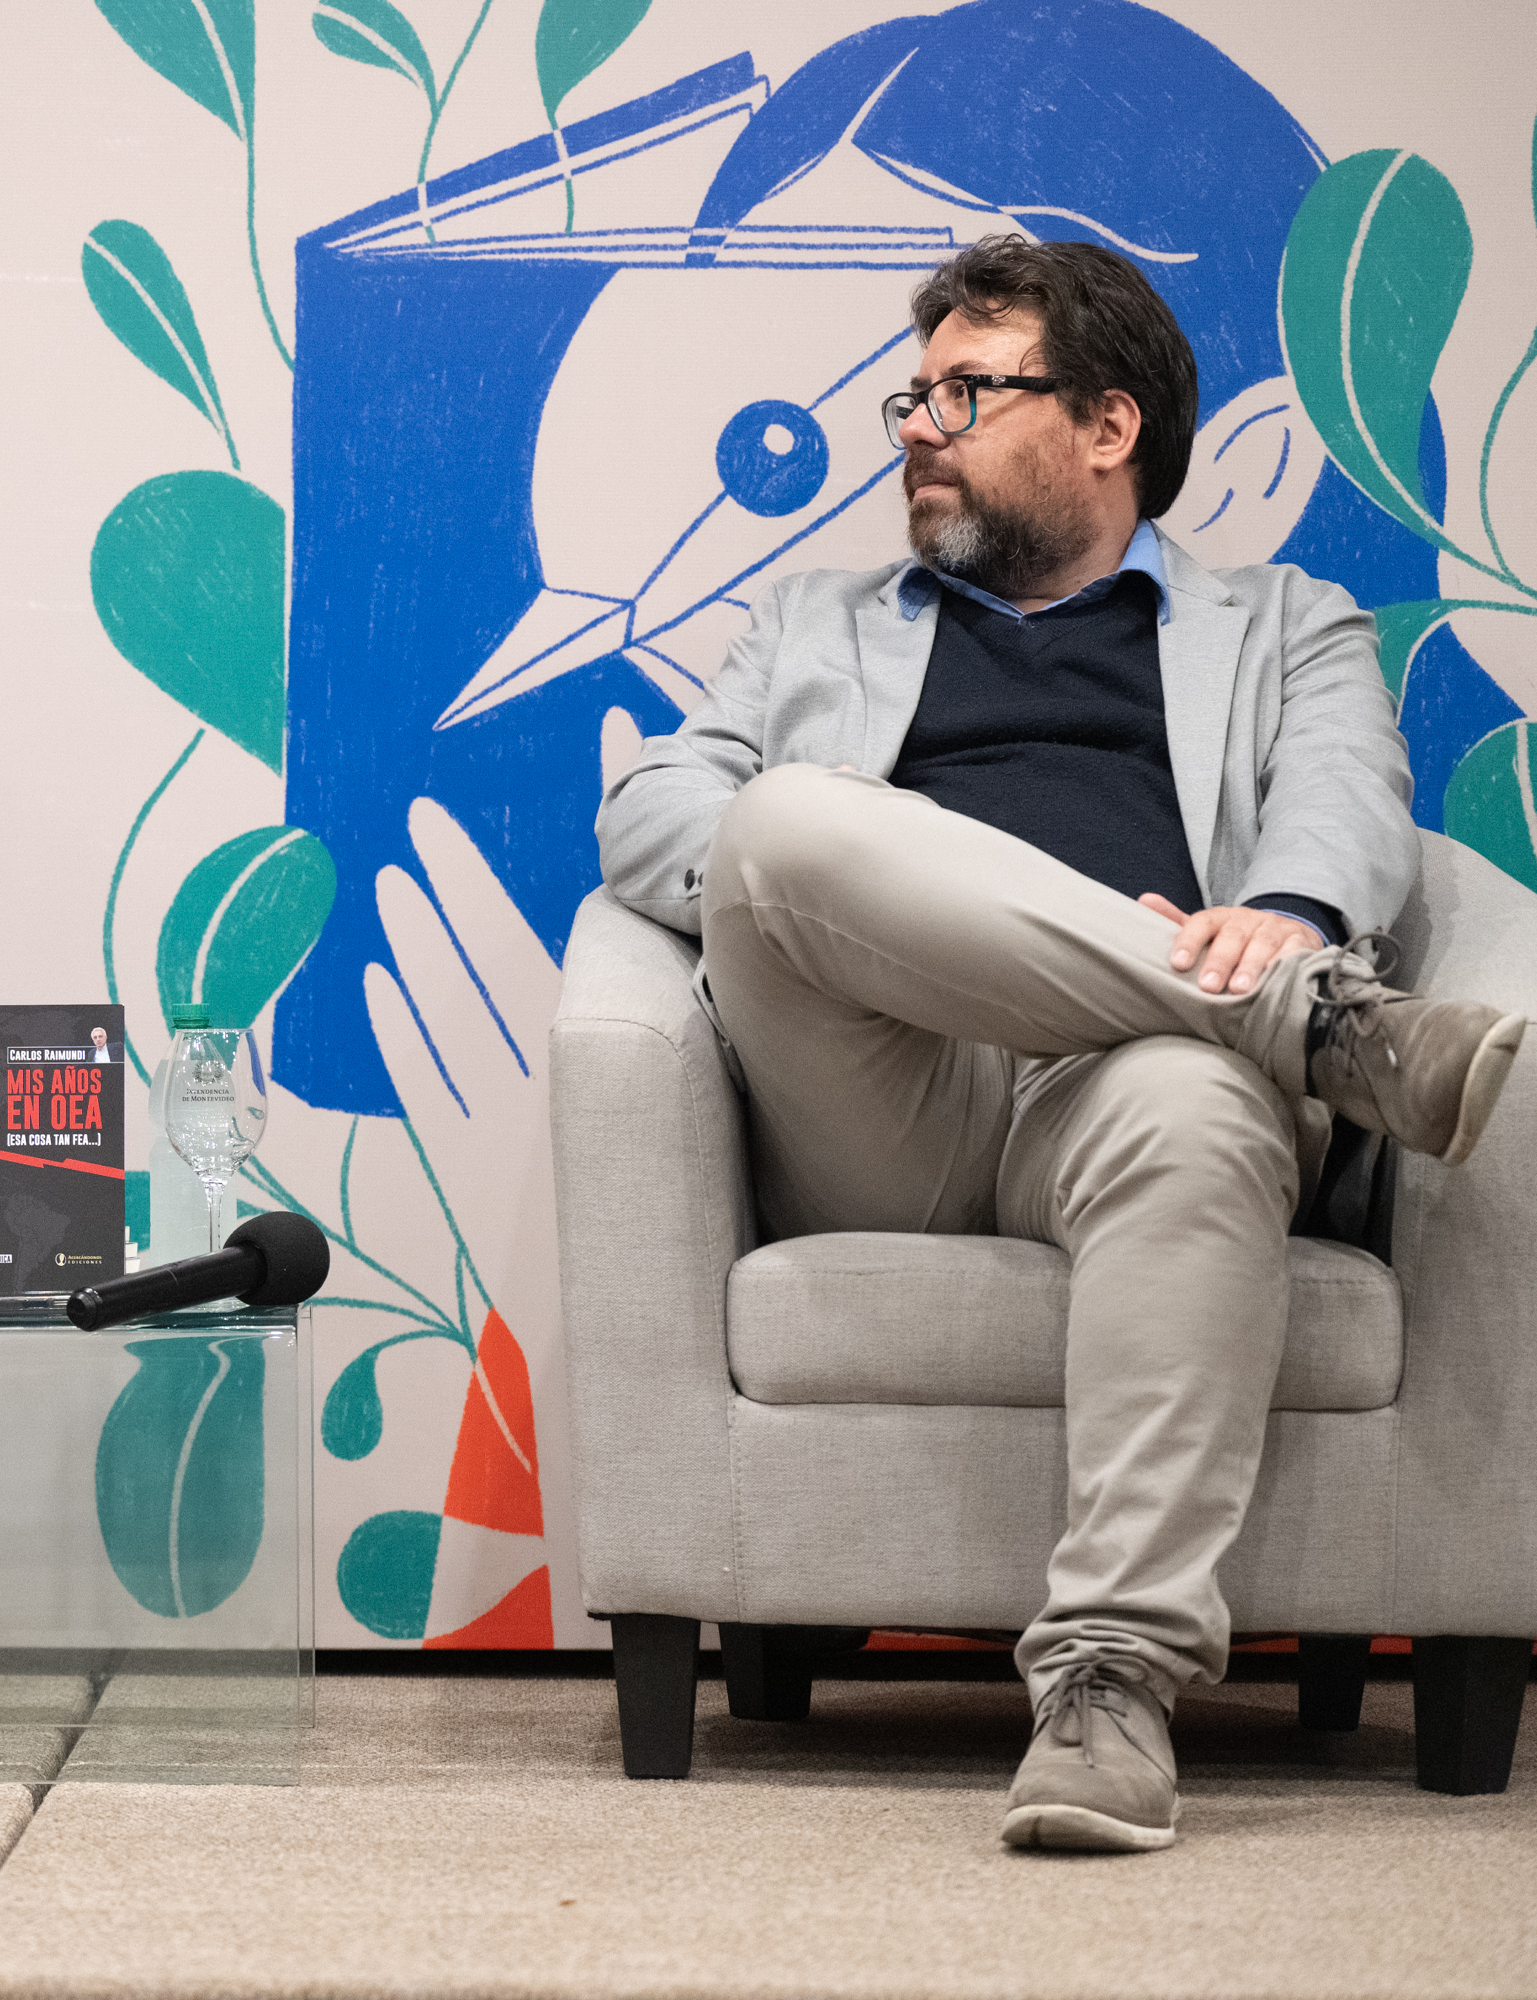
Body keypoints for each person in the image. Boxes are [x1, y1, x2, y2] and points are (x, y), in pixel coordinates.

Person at [597, 233, 1523, 1854]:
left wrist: (1292, 912)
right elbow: (656, 810)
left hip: (1126, 1092)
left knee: (1201, 1110)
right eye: (915, 390)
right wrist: (1255, 980)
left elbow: (1343, 802)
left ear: (1108, 427)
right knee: (789, 819)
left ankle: (1109, 1689)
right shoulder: (818, 619)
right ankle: (1318, 1035)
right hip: (890, 1091)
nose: (915, 424)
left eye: (969, 388)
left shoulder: (1288, 623)